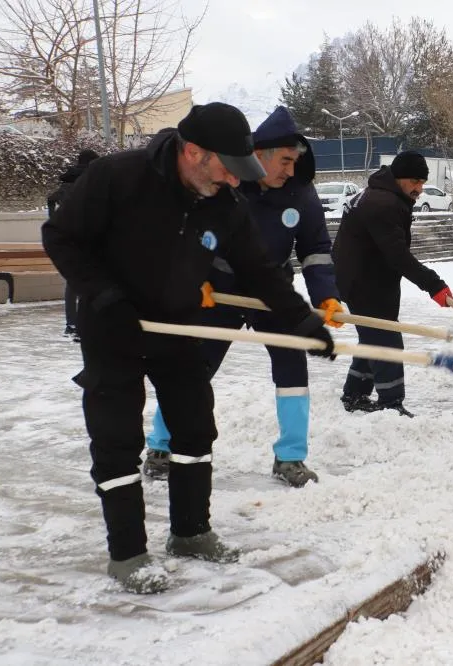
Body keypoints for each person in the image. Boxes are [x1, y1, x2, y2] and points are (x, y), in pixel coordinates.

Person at [41, 102, 336, 594]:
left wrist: (301, 319)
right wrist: (105, 296)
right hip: (113, 325)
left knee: (195, 426)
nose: (235, 182)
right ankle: (128, 553)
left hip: (177, 323)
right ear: (193, 151)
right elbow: (62, 237)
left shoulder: (224, 202)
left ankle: (191, 533)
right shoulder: (119, 177)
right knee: (116, 438)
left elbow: (258, 270)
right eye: (227, 169)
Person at [141, 106, 341, 489]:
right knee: (192, 370)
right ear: (260, 156)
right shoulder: (228, 184)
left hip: (273, 293)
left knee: (293, 371)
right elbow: (192, 232)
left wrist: (327, 297)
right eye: (285, 160)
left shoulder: (302, 194)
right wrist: (194, 277)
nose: (291, 170)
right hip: (219, 291)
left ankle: (290, 458)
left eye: (295, 161)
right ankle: (161, 446)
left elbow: (315, 250)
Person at [332, 151, 453, 418]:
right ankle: (391, 403)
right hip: (364, 279)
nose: (419, 189)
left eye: (422, 182)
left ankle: (355, 394)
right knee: (386, 339)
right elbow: (397, 255)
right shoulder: (382, 203)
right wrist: (433, 285)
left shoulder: (381, 194)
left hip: (366, 275)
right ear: (398, 178)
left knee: (373, 335)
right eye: (414, 182)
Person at [47, 148, 99, 342]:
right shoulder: (91, 181)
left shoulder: (64, 186)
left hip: (69, 239)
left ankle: (71, 323)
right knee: (93, 281)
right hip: (89, 238)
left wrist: (56, 223)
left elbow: (51, 205)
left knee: (72, 283)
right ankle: (86, 324)